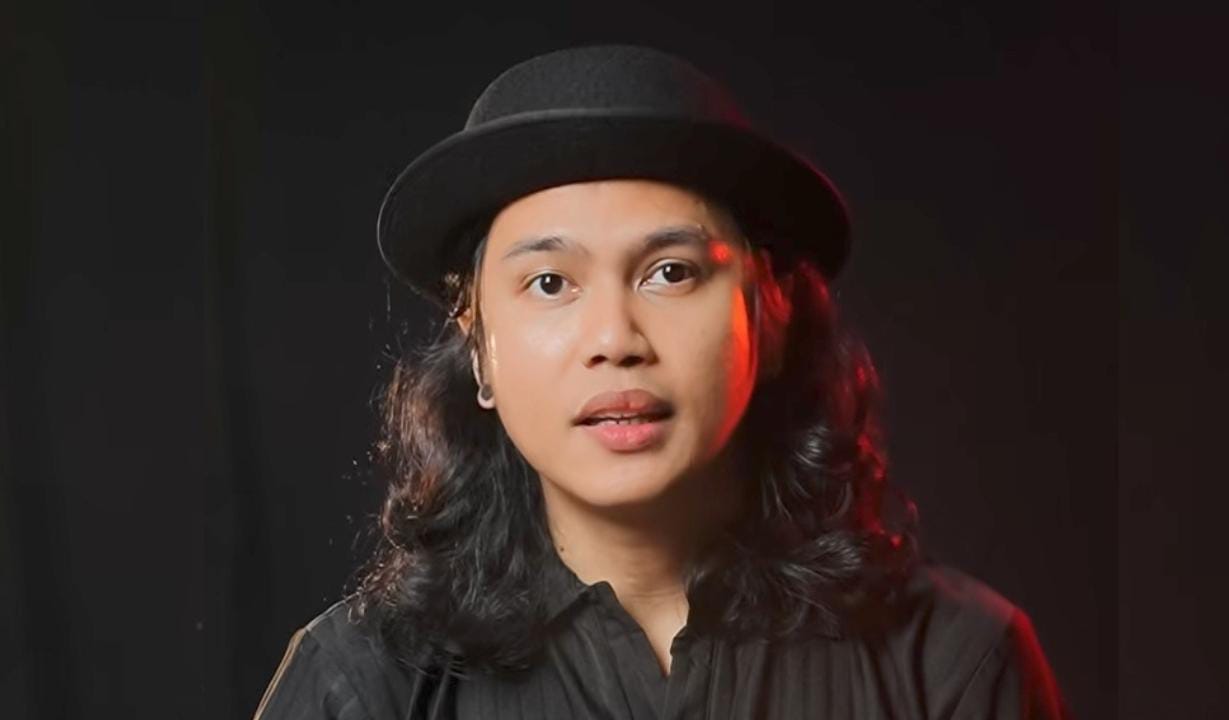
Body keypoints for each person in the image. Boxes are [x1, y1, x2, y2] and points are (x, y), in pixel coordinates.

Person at [253, 44, 1071, 719]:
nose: (615, 340)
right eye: (550, 283)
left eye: (671, 272)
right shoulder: (361, 684)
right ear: (479, 349)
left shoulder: (954, 660)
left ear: (769, 314)